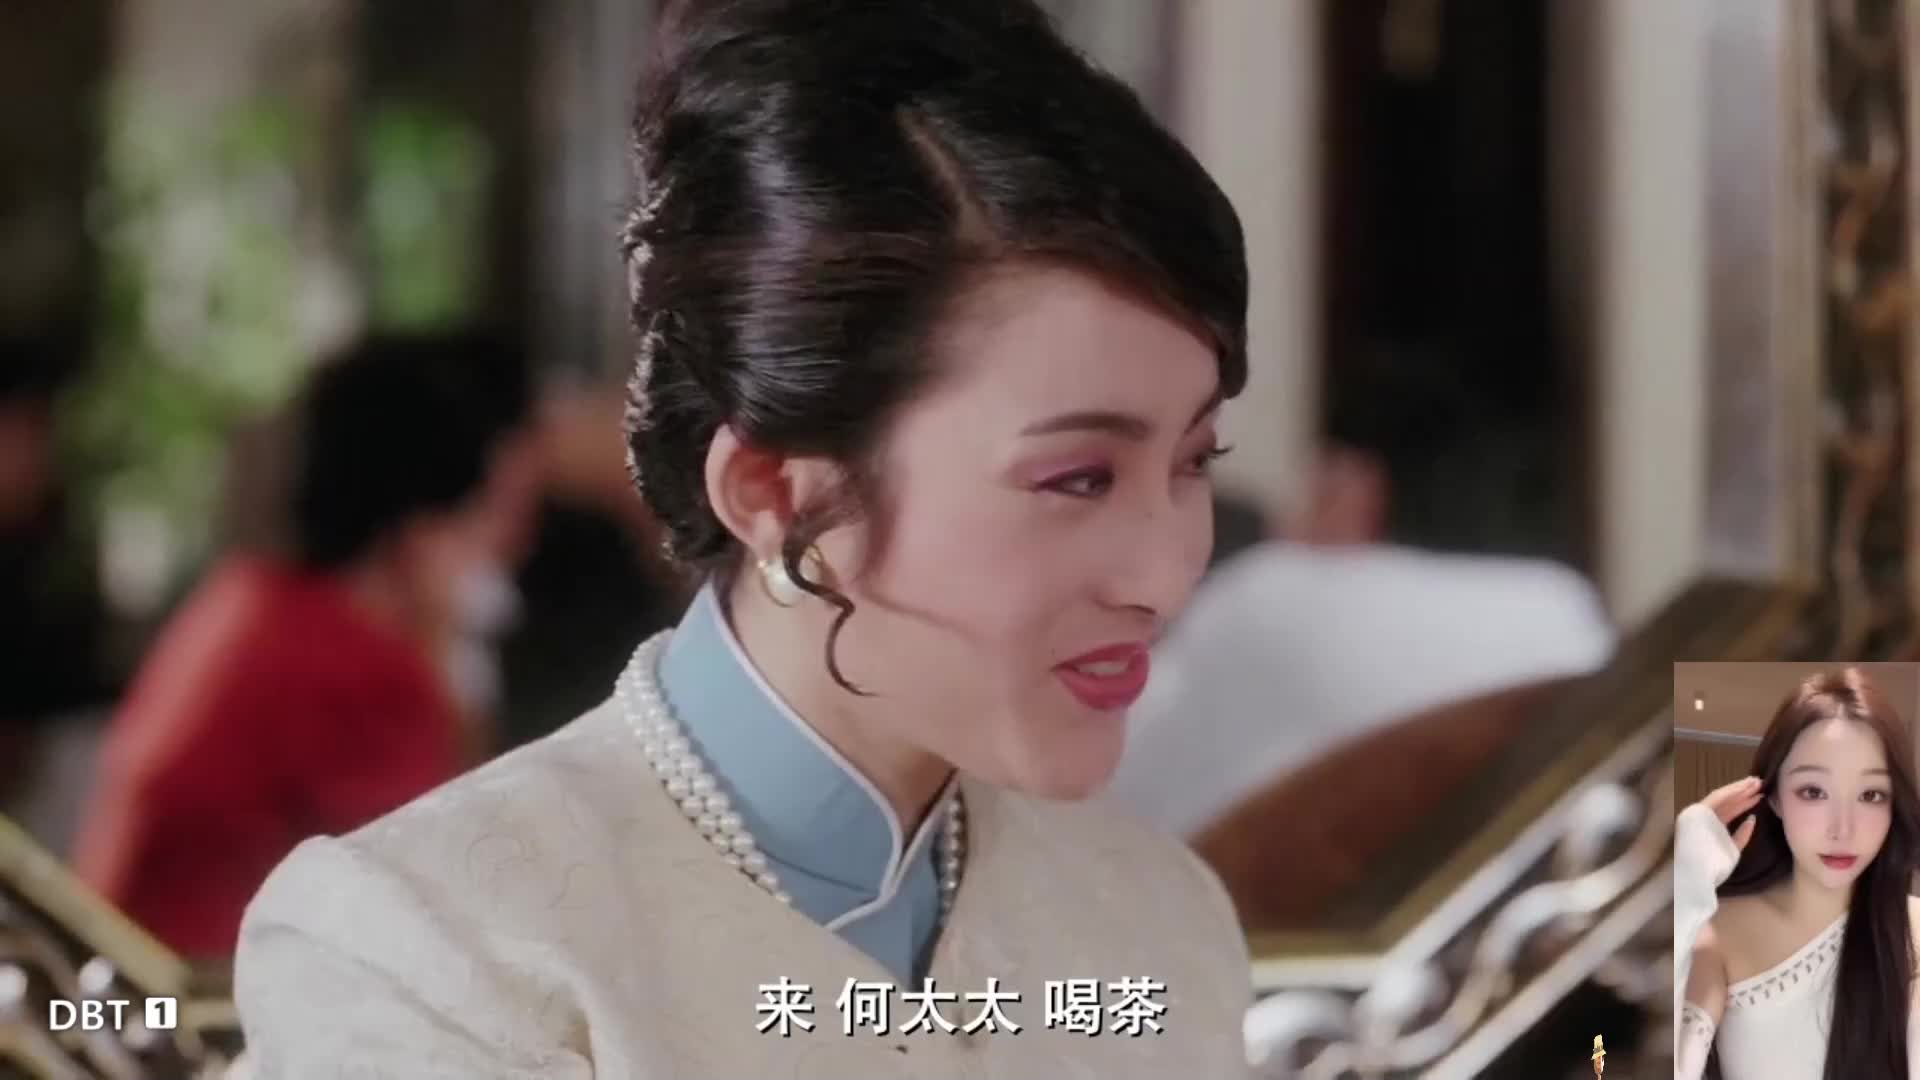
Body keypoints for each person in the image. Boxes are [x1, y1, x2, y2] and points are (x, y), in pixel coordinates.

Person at [232, 0, 1257, 1074]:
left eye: (1195, 460)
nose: (1164, 574)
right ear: (775, 492)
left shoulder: (1157, 922)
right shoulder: (438, 957)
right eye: (1077, 478)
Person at [70, 336, 533, 959]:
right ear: (422, 527)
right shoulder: (364, 673)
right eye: (494, 517)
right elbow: (452, 904)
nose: (507, 550)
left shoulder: (245, 599)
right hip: (198, 1000)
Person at [1674, 668, 1920, 1079]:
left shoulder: (1912, 933)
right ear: (1773, 798)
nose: (1842, 829)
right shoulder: (1717, 934)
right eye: (1813, 792)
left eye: (1871, 795)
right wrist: (1687, 880)